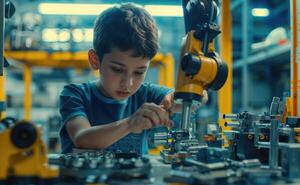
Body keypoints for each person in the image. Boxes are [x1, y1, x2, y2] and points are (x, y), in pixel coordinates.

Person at [59, 2, 206, 155]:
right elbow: (81, 138)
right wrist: (130, 124)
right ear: (95, 60)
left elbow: (201, 97)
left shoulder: (147, 94)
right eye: (117, 69)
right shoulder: (75, 95)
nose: (127, 84)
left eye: (139, 72)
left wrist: (180, 98)